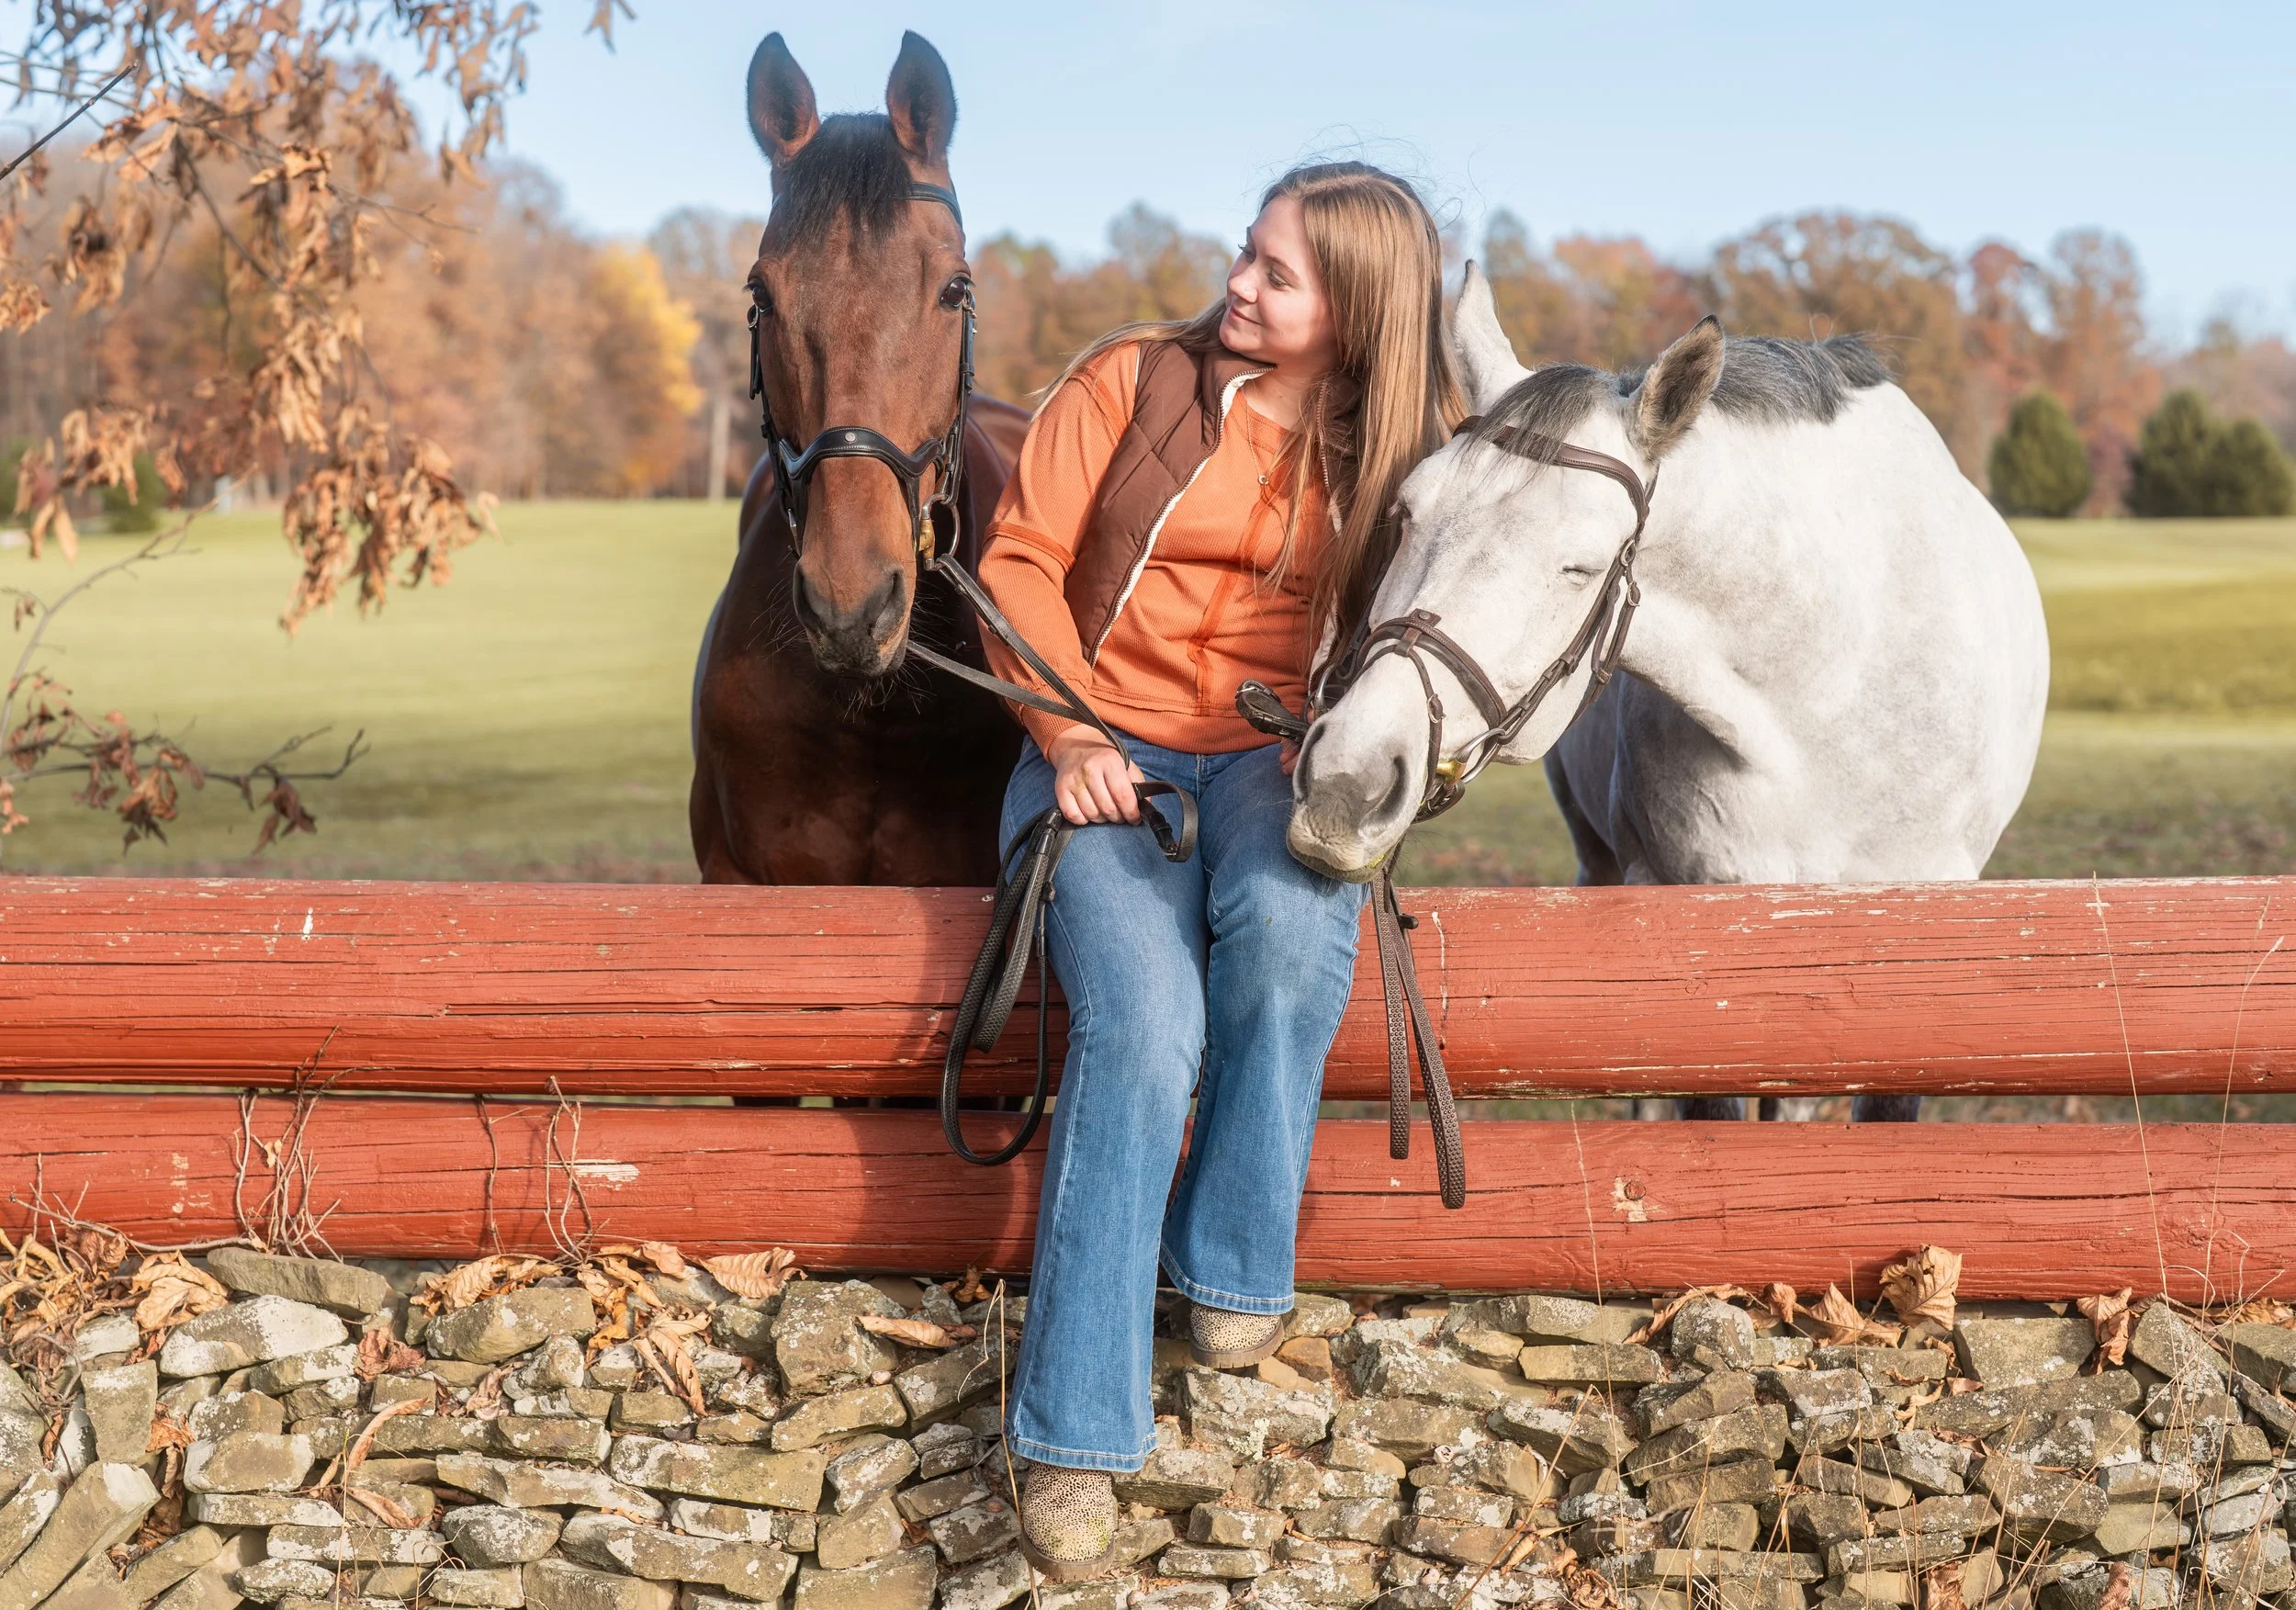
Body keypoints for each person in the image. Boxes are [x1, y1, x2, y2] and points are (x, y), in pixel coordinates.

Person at [974, 160, 1465, 1580]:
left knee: (1293, 921)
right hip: (1097, 746)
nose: (1239, 286)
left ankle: (1234, 1267)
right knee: (1141, 1029)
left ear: (1358, 308)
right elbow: (1016, 567)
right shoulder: (1131, 380)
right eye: (1244, 257)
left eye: (1277, 274)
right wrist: (1064, 733)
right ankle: (1068, 1437)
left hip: (1265, 757)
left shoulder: (1405, 450)